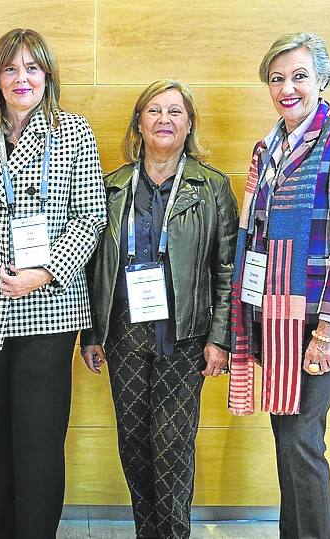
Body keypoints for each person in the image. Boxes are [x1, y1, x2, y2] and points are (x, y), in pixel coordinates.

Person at [0, 28, 106, 538]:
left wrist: (45, 271)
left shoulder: (75, 133)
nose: (21, 78)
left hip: (49, 310)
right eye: (10, 69)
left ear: (47, 76)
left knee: (38, 440)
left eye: (32, 68)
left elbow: (90, 218)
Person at [229, 32, 330, 538]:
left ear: (322, 81)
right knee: (288, 433)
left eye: (298, 76)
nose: (286, 88)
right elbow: (257, 233)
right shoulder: (266, 148)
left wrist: (328, 329)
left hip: (321, 317)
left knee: (300, 437)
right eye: (277, 78)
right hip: (277, 312)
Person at [81, 79, 238, 538]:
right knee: (133, 444)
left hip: (185, 339)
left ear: (189, 124)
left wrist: (219, 339)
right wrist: (91, 334)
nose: (164, 120)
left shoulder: (211, 188)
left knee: (171, 445)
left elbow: (227, 268)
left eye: (175, 112)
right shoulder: (111, 187)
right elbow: (95, 270)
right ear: (139, 122)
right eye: (154, 111)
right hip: (124, 336)